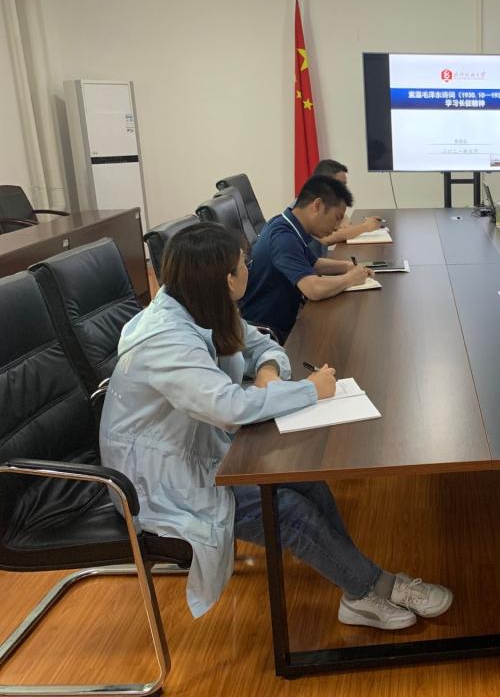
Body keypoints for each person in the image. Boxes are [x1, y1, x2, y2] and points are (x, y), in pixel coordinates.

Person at [100, 222, 452, 629]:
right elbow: (229, 407)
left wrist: (268, 372)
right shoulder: (166, 339)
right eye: (243, 264)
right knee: (288, 512)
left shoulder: (201, 304)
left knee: (307, 482)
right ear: (227, 279)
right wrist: (310, 390)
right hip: (154, 483)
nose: (249, 269)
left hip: (201, 450)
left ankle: (358, 586)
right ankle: (371, 586)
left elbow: (262, 344)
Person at [241, 174, 372, 341]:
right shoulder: (283, 238)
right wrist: (350, 278)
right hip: (269, 334)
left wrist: (347, 266)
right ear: (317, 205)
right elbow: (314, 289)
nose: (338, 227)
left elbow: (314, 263)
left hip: (287, 321)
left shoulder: (287, 224)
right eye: (337, 218)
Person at [305, 159, 385, 257]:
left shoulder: (330, 202)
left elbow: (346, 224)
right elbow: (325, 239)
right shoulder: (309, 204)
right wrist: (365, 227)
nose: (344, 189)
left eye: (345, 184)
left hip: (319, 261)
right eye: (341, 184)